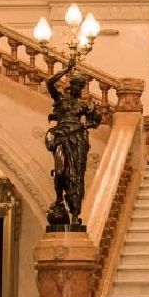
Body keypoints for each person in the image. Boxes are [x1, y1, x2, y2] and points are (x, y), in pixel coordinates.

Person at [44, 60, 103, 229]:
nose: (79, 88)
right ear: (71, 84)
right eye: (77, 84)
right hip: (61, 137)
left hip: (77, 140)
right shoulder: (60, 99)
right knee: (60, 170)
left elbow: (96, 120)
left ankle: (75, 213)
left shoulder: (84, 105)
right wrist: (65, 69)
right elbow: (49, 82)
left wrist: (87, 124)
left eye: (81, 85)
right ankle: (59, 198)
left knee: (76, 175)